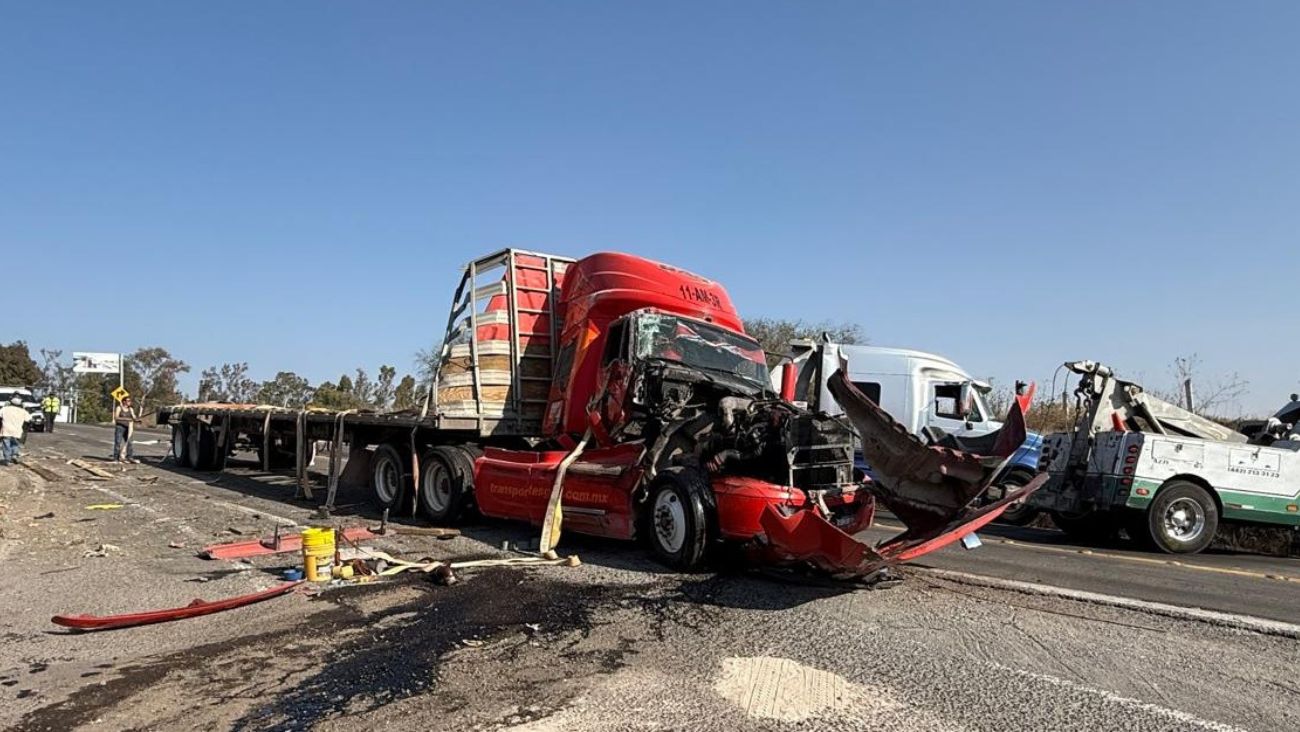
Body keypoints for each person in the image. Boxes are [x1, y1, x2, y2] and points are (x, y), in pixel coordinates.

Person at [1, 396, 32, 466]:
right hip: (17, 431)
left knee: (6, 445)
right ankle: (14, 455)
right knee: (15, 444)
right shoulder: (23, 411)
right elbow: (29, 419)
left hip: (6, 430)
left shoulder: (5, 409)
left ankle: (7, 460)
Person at [112, 396, 140, 463]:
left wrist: (136, 419)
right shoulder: (119, 408)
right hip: (120, 427)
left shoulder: (131, 409)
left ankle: (130, 457)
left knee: (129, 442)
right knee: (118, 442)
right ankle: (116, 458)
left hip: (128, 428)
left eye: (130, 401)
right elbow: (116, 417)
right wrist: (127, 419)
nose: (129, 402)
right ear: (124, 401)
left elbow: (133, 417)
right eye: (128, 401)